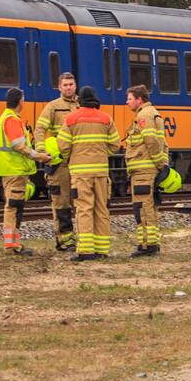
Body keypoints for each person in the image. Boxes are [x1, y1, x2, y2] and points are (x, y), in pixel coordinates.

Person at [57, 86, 120, 261]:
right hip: (101, 171)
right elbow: (115, 145)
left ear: (80, 101)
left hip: (80, 172)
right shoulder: (106, 118)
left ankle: (85, 251)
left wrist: (71, 157)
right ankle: (102, 250)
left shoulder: (71, 119)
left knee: (84, 209)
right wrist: (101, 154)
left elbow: (63, 145)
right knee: (101, 208)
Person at [0, 88, 50, 256]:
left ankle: (14, 243)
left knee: (16, 206)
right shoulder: (11, 120)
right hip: (15, 170)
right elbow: (19, 146)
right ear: (21, 101)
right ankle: (11, 246)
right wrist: (39, 156)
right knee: (13, 207)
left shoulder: (7, 117)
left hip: (12, 169)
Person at [34, 72, 79, 252]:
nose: (68, 87)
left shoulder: (81, 106)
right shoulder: (53, 107)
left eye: (71, 84)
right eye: (65, 85)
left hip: (78, 162)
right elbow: (39, 129)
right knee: (62, 203)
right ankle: (65, 240)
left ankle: (82, 239)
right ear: (59, 87)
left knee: (80, 203)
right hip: (60, 164)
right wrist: (41, 151)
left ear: (75, 86)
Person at [123, 84, 169, 257]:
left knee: (143, 208)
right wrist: (162, 163)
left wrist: (159, 163)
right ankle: (150, 243)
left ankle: (147, 246)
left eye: (129, 99)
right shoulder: (151, 113)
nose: (127, 102)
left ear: (139, 99)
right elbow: (162, 142)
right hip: (146, 169)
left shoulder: (144, 115)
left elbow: (151, 141)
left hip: (144, 170)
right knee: (148, 206)